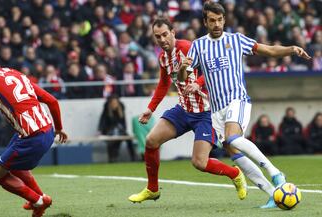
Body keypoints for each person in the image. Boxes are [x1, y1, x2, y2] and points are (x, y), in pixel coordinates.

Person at [180, 2, 311, 208]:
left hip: (237, 99)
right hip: (216, 110)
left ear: (224, 20)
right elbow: (184, 76)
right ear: (205, 22)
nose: (216, 24)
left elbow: (266, 50)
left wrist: (291, 49)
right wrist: (183, 70)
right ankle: (272, 194)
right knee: (232, 150)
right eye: (212, 20)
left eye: (220, 20)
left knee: (233, 137)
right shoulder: (198, 46)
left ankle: (275, 172)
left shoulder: (236, 40)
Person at [128, 17, 248, 204]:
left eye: (165, 35)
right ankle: (152, 189)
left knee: (199, 162)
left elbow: (209, 71)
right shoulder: (163, 58)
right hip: (184, 109)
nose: (162, 40)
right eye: (157, 37)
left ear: (173, 33)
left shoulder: (187, 48)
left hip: (207, 112)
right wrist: (151, 109)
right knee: (151, 141)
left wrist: (197, 83)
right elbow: (163, 84)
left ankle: (235, 173)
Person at [0, 52, 68, 217]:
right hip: (47, 130)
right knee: (14, 166)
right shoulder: (17, 74)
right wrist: (59, 128)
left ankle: (38, 200)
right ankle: (41, 200)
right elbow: (52, 101)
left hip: (32, 135)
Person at [98, 94, 136, 162]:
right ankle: (112, 158)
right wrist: (100, 130)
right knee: (111, 141)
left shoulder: (121, 109)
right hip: (109, 130)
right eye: (113, 103)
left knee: (129, 139)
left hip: (120, 130)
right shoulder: (107, 110)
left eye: (115, 103)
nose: (114, 104)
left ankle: (133, 157)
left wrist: (123, 130)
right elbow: (103, 120)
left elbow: (123, 121)